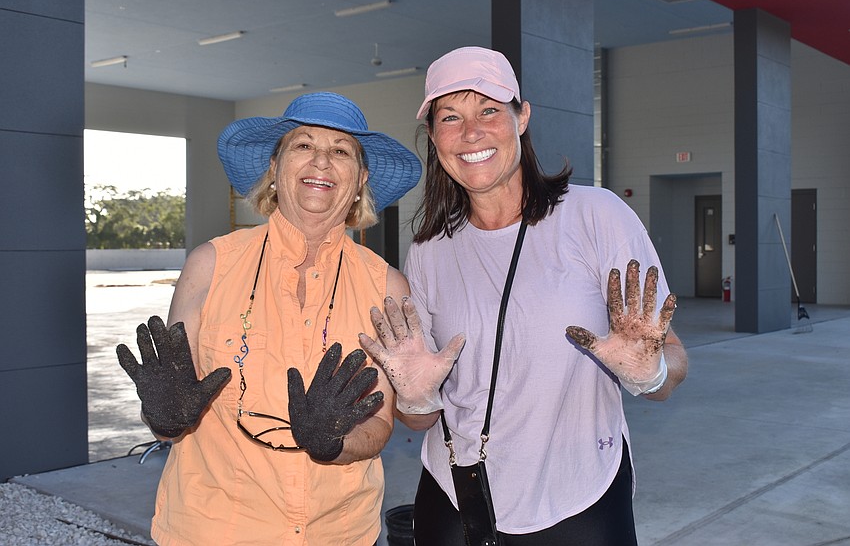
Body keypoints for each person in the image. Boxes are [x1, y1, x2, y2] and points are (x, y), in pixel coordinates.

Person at [358, 47, 688, 545]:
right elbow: (421, 416)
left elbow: (670, 368)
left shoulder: (596, 216)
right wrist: (414, 395)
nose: (471, 132)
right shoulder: (428, 251)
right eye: (450, 117)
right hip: (456, 493)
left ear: (521, 116)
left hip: (582, 493)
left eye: (489, 109)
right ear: (434, 137)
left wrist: (650, 370)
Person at [116, 91, 421, 545]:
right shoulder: (210, 264)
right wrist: (164, 417)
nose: (321, 160)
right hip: (213, 530)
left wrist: (335, 443)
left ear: (360, 180)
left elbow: (378, 425)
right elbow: (177, 397)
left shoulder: (387, 287)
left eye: (341, 151)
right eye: (303, 145)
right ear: (275, 169)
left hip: (337, 534)